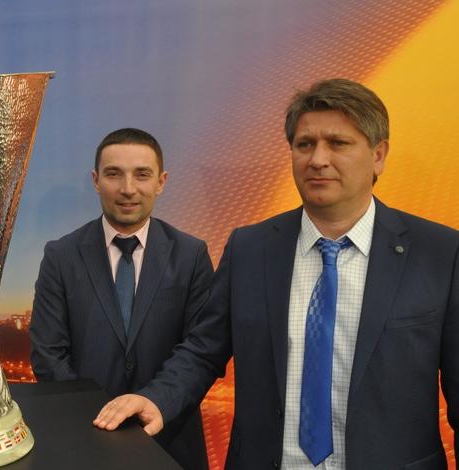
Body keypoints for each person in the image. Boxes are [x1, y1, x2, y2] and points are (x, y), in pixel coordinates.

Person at [94, 78, 459, 469]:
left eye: (338, 143)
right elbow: (203, 349)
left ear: (378, 155)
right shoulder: (250, 249)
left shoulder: (440, 252)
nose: (318, 159)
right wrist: (157, 399)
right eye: (305, 144)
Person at [30, 128, 213, 469]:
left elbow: (201, 351)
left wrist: (155, 401)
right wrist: (100, 421)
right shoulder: (61, 256)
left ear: (161, 182)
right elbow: (48, 356)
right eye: (114, 174)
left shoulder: (191, 256)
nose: (128, 188)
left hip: (171, 441)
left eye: (142, 175)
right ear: (96, 181)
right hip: (83, 442)